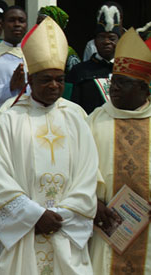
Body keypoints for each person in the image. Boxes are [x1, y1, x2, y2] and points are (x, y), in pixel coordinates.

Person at [0, 17, 98, 275]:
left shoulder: (76, 115)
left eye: (60, 80)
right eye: (46, 79)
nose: (54, 86)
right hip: (26, 230)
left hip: (66, 228)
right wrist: (33, 215)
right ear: (30, 80)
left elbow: (88, 173)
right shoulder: (9, 116)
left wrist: (63, 215)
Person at [88, 28, 151, 275]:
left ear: (145, 90)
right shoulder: (93, 120)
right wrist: (91, 201)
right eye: (113, 82)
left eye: (123, 83)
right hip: (106, 227)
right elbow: (77, 170)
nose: (114, 88)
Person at [67, 3, 122, 114]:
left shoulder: (126, 71)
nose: (106, 42)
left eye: (111, 38)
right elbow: (72, 110)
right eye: (101, 37)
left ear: (119, 41)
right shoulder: (79, 71)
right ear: (94, 41)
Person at [0, 5, 28, 111]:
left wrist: (25, 87)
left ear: (26, 25)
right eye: (12, 20)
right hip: (1, 117)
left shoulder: (32, 55)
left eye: (21, 21)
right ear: (3, 24)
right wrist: (9, 87)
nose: (17, 24)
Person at [36, 6, 80, 75]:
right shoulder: (32, 49)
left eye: (44, 24)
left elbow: (75, 80)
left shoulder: (67, 52)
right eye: (38, 23)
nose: (39, 27)